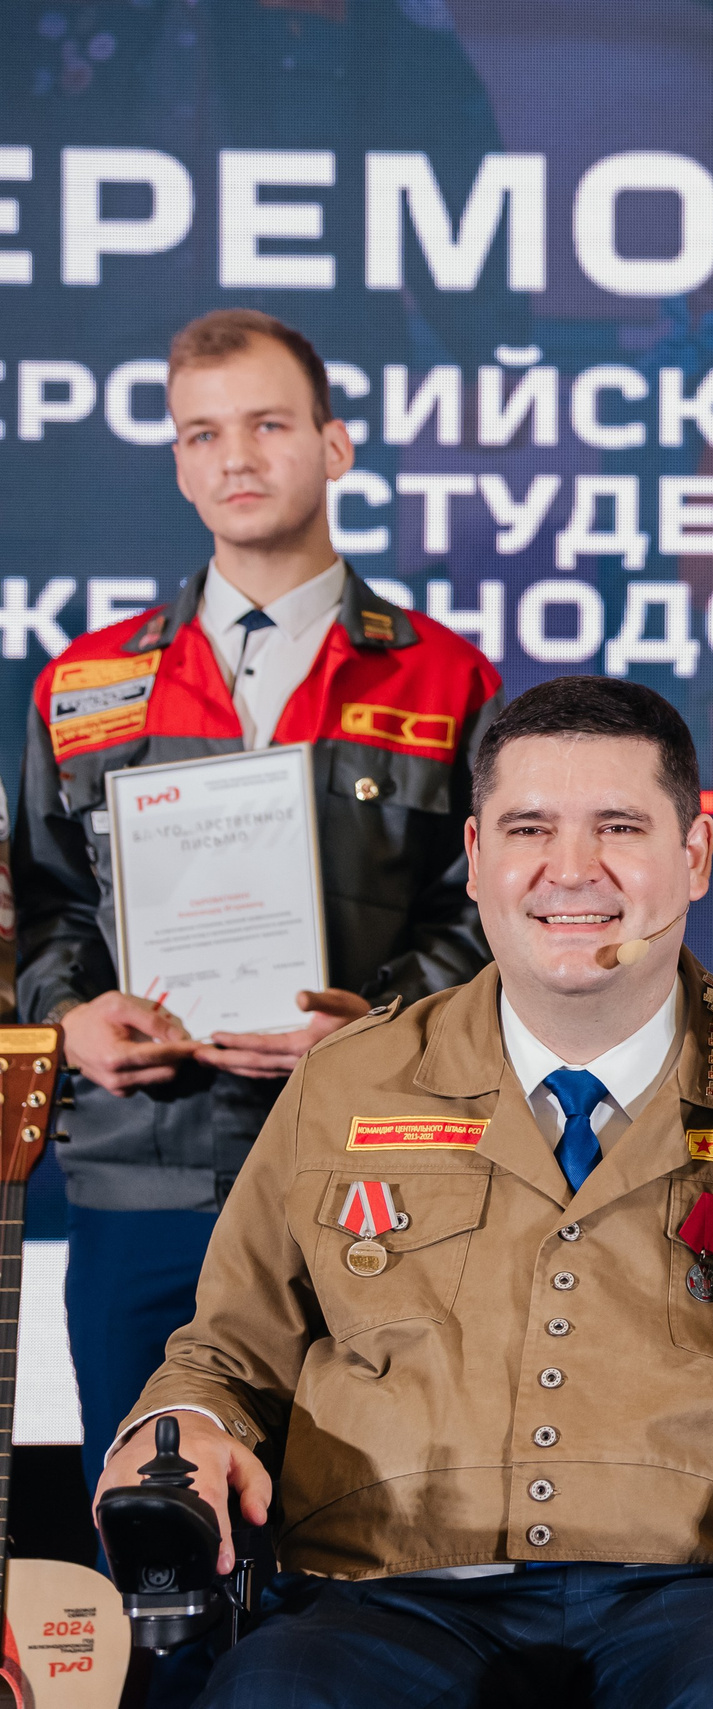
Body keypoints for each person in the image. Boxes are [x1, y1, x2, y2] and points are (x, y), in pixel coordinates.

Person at [94, 674, 713, 1706]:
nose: (572, 870)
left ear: (694, 855)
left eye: (619, 825)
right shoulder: (343, 1084)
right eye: (529, 828)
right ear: (476, 859)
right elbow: (222, 1356)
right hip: (381, 1589)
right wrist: (182, 1429)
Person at [14, 309, 505, 1508]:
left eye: (269, 424)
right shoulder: (86, 685)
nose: (236, 456)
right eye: (203, 433)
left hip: (376, 1180)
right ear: (179, 463)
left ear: (334, 446)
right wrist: (69, 1015)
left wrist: (379, 1025)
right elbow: (41, 904)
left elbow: (488, 914)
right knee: (155, 1545)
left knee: (367, 1553)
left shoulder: (447, 680)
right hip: (145, 1179)